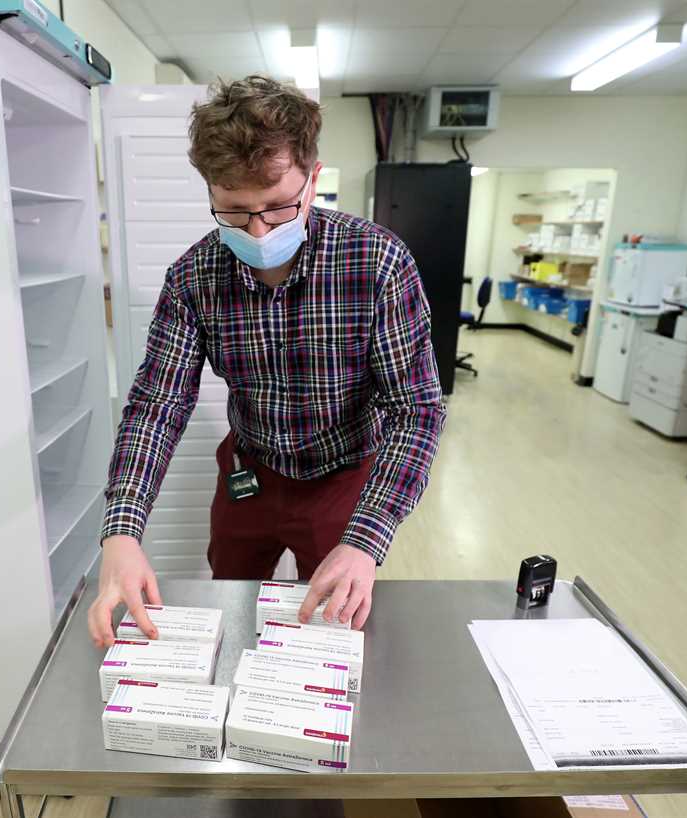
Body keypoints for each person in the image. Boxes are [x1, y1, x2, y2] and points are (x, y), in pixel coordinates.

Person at [88, 76, 444, 648]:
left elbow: (417, 411)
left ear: (314, 180)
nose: (257, 230)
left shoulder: (377, 263)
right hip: (249, 474)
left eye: (279, 207)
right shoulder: (193, 278)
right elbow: (157, 406)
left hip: (343, 475)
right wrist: (122, 534)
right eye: (233, 212)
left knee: (331, 626)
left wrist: (366, 539)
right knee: (229, 605)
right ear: (209, 193)